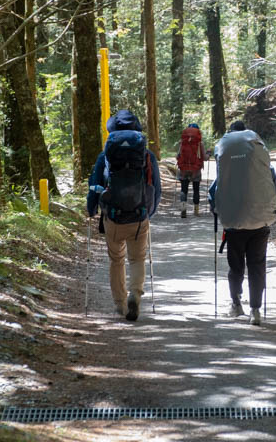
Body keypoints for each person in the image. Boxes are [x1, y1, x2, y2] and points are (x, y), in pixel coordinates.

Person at [87, 110, 162, 321]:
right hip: (139, 216)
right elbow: (156, 187)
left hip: (113, 217)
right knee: (137, 259)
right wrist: (149, 212)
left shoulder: (106, 155)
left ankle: (120, 305)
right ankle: (135, 296)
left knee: (116, 260)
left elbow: (95, 186)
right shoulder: (146, 155)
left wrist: (92, 209)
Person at [208, 120, 276, 326]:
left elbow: (214, 192)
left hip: (234, 223)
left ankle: (236, 303)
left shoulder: (227, 161)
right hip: (260, 222)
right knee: (257, 266)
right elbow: (274, 188)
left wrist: (215, 208)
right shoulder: (262, 162)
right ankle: (255, 310)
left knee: (236, 266)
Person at [176, 123, 208, 218]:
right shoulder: (200, 143)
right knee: (196, 189)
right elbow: (205, 158)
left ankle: (183, 210)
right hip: (196, 171)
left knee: (183, 190)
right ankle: (196, 211)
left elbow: (178, 156)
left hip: (183, 170)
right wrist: (208, 154)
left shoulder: (182, 142)